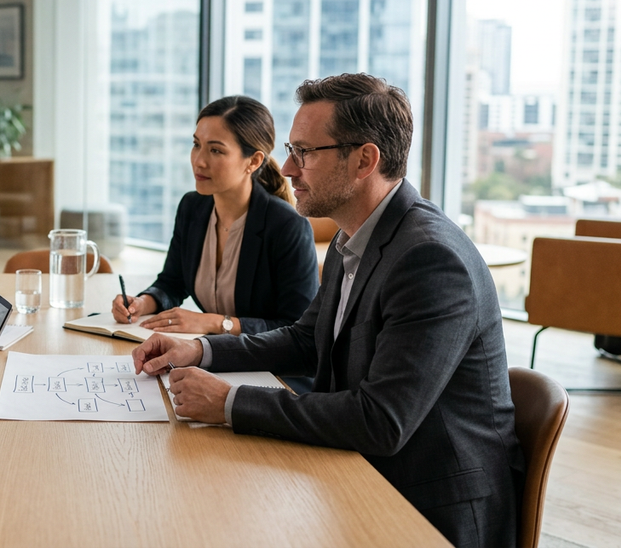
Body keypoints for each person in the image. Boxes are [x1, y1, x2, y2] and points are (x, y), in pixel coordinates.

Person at [133, 73, 524, 548]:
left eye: (304, 152)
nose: (287, 168)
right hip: (357, 471)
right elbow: (305, 338)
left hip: (427, 509)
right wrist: (199, 350)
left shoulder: (430, 259)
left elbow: (381, 421)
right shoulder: (352, 236)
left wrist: (229, 402)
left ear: (364, 160)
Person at [110, 96, 317, 341]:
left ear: (253, 161)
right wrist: (143, 302)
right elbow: (172, 282)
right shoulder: (192, 207)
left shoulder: (287, 226)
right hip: (212, 353)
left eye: (216, 150)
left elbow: (297, 329)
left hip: (267, 361)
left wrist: (215, 323)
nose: (199, 161)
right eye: (196, 144)